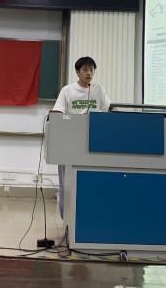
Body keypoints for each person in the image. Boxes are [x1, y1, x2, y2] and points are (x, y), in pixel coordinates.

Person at [51, 56, 110, 218]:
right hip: (70, 144)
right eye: (85, 70)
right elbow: (58, 113)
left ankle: (88, 217)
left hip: (93, 143)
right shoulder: (67, 90)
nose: (89, 73)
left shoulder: (98, 90)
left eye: (91, 70)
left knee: (90, 182)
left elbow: (108, 110)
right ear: (78, 72)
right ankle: (67, 218)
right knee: (67, 184)